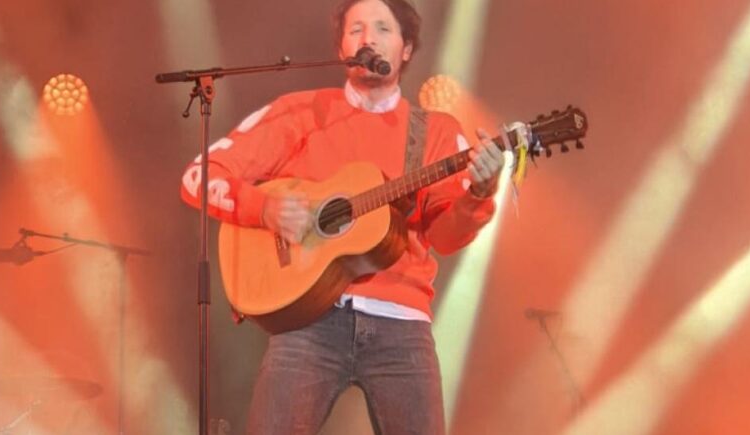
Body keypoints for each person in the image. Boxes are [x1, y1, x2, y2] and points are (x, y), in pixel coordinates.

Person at [178, 0, 505, 433]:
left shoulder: (437, 131)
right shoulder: (301, 112)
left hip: (402, 327)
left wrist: (479, 194)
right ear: (341, 50)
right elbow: (199, 175)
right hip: (307, 319)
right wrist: (264, 208)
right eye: (356, 30)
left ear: (407, 48)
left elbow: (446, 238)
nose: (369, 38)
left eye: (383, 28)